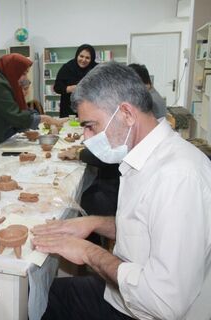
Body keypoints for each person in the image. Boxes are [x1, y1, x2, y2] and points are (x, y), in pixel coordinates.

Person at [33, 62, 211, 320]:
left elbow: (163, 302)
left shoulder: (178, 178)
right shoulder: (144, 156)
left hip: (146, 311)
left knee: (48, 302)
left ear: (126, 113)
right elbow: (147, 225)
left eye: (91, 125)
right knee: (47, 295)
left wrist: (88, 252)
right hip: (127, 294)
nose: (85, 137)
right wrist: (94, 224)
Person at [54, 44, 98, 118]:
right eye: (81, 56)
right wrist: (71, 88)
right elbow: (57, 88)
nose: (83, 60)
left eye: (87, 58)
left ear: (92, 59)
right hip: (69, 109)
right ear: (77, 55)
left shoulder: (96, 69)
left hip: (91, 108)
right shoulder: (67, 68)